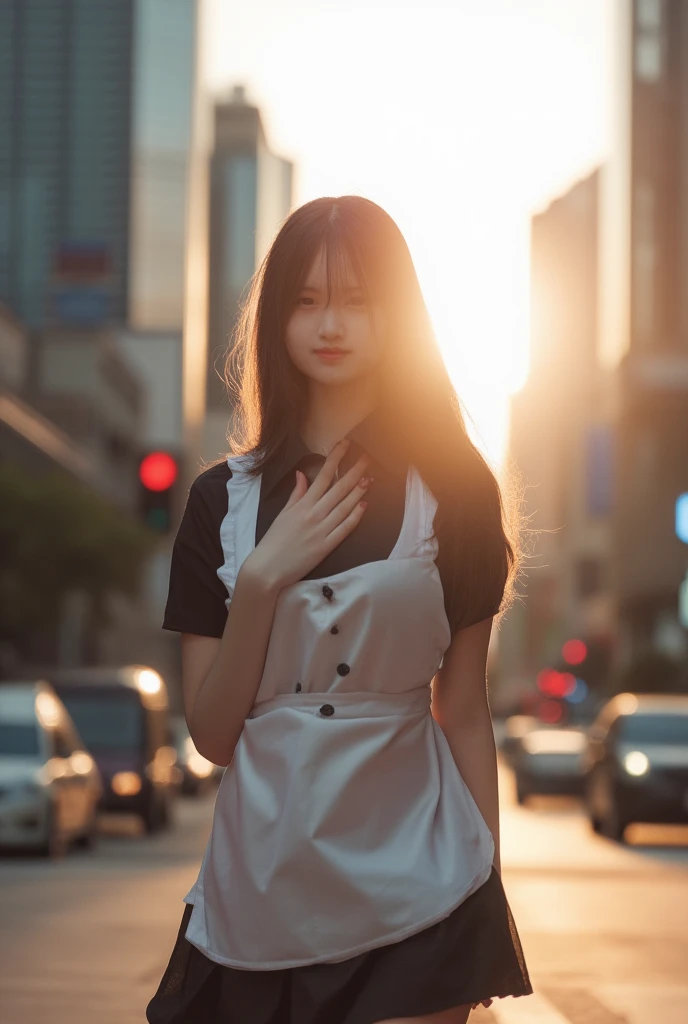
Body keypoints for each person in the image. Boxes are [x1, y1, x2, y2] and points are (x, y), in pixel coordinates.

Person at [146, 195, 533, 1024]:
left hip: (418, 875)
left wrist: (483, 891)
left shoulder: (456, 492)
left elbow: (463, 709)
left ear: (398, 317)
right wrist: (259, 581)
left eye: (359, 300)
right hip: (263, 882)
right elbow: (213, 738)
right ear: (278, 317)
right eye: (308, 300)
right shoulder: (223, 502)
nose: (333, 323)